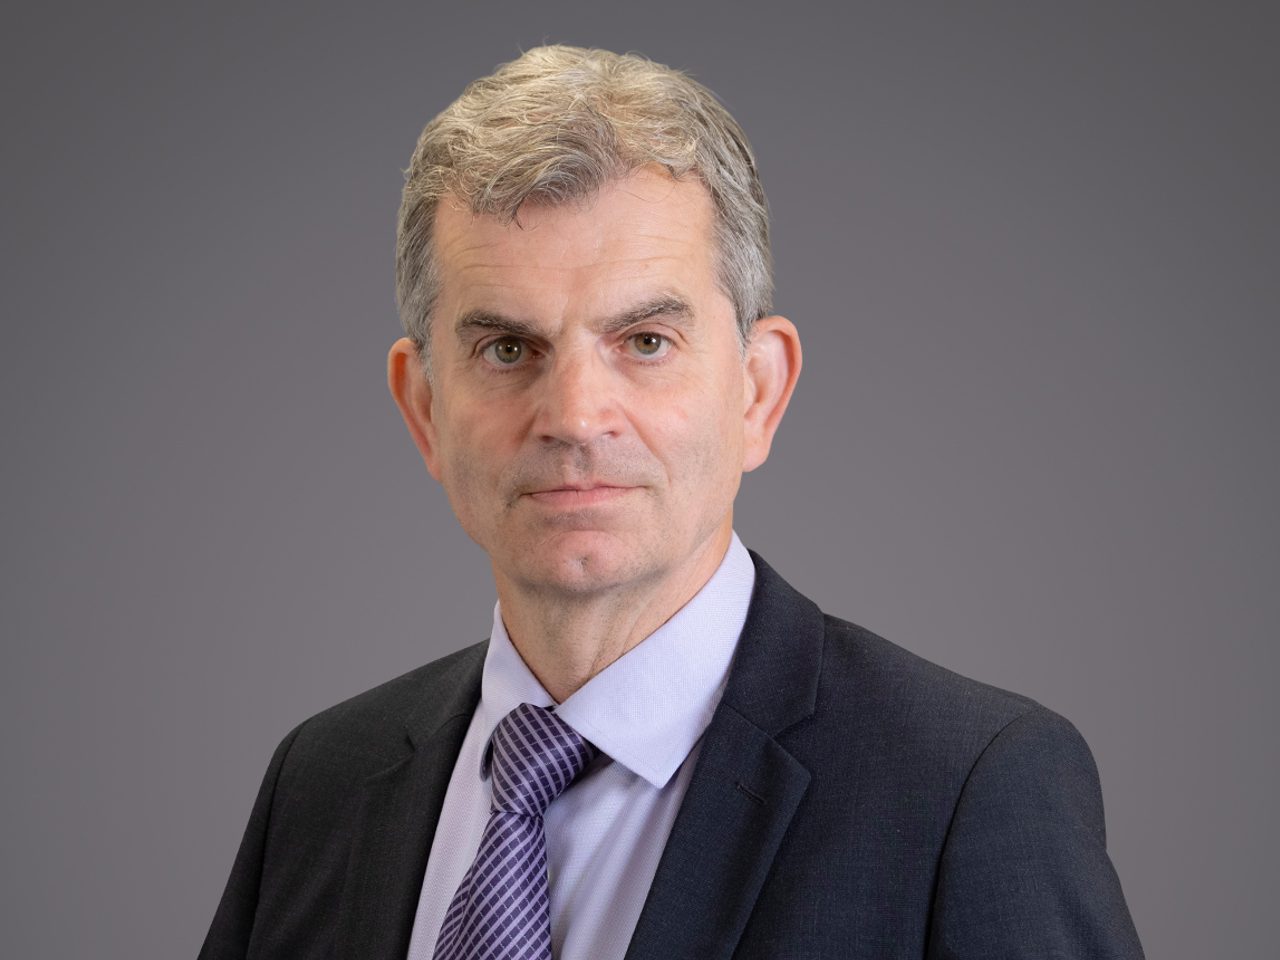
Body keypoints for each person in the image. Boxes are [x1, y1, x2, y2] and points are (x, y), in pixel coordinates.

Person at [200, 45, 1145, 960]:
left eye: (645, 341)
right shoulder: (321, 784)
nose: (573, 416)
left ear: (757, 392)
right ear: (424, 408)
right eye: (506, 349)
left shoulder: (966, 792)